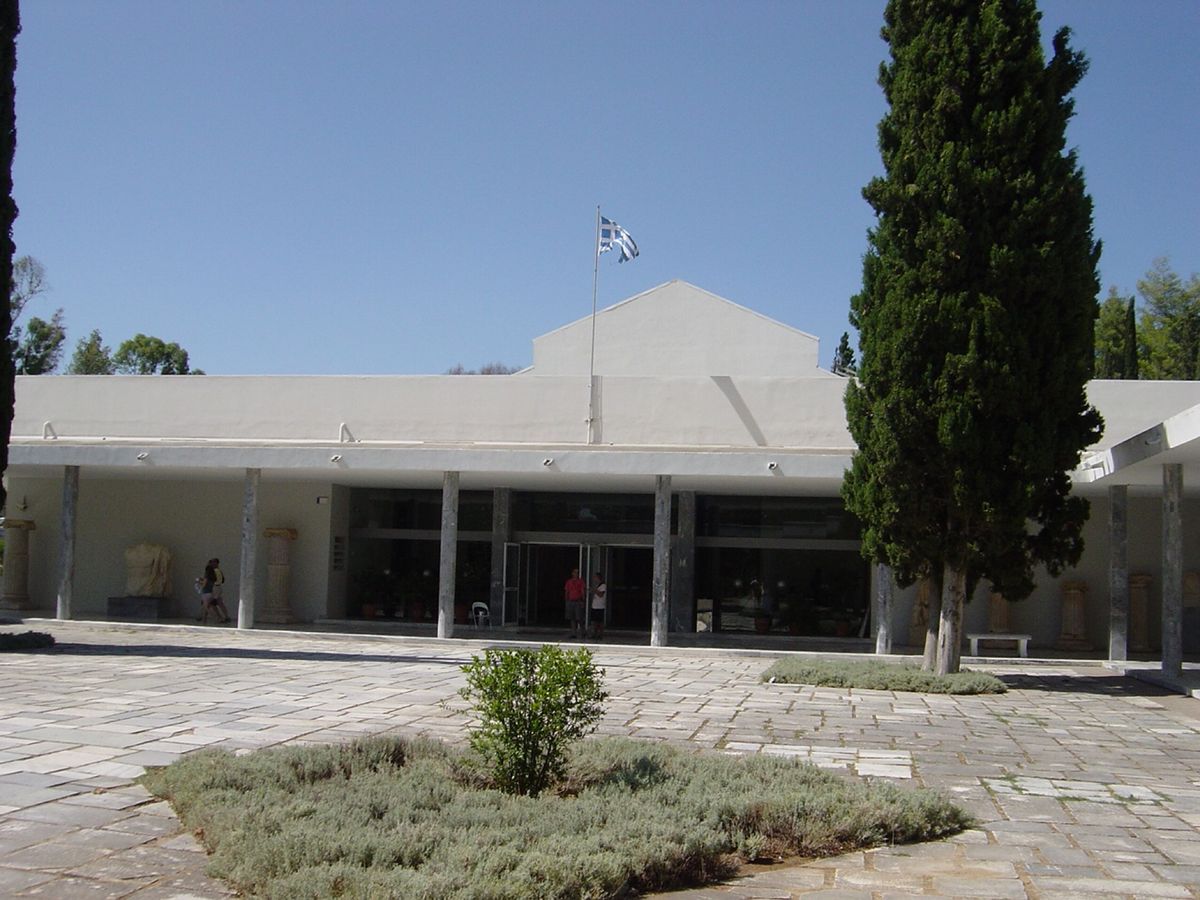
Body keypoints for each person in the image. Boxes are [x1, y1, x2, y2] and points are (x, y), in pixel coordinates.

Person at [196, 558, 231, 624]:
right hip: (219, 587)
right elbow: (222, 580)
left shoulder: (212, 571)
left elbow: (207, 580)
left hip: (214, 588)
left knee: (209, 604)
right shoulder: (219, 571)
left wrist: (200, 584)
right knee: (218, 603)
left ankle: (212, 617)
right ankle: (225, 616)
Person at [564, 567, 587, 638]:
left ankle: (583, 632)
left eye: (577, 573)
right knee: (572, 618)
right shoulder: (569, 582)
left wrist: (583, 600)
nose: (576, 574)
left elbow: (582, 591)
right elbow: (567, 591)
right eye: (575, 572)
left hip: (578, 601)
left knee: (579, 618)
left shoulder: (581, 582)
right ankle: (573, 633)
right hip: (570, 601)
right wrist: (566, 600)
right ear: (572, 573)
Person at [589, 572, 607, 640]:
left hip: (600, 606)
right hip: (594, 606)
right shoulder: (596, 585)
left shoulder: (603, 585)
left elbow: (601, 594)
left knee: (600, 622)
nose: (594, 579)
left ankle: (600, 634)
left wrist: (594, 590)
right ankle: (594, 633)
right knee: (594, 621)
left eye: (595, 577)